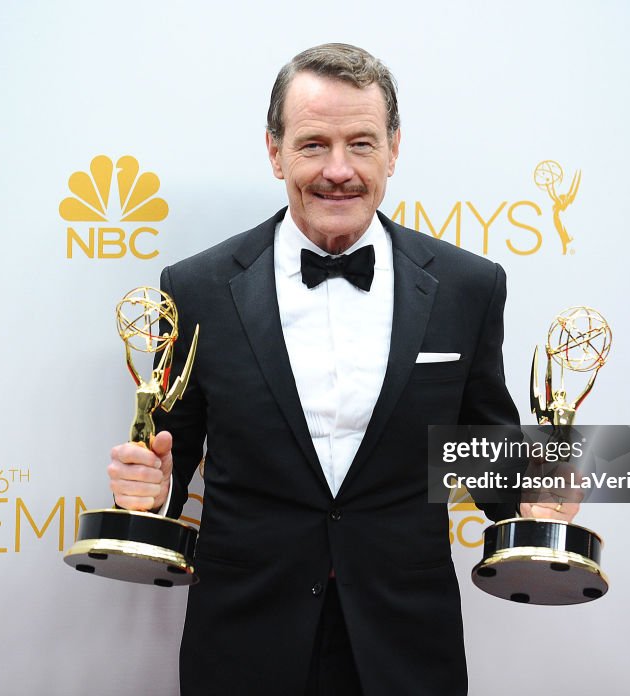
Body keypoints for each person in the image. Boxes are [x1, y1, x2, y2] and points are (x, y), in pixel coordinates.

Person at [107, 43, 578, 696]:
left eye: (360, 143)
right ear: (274, 151)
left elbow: (483, 457)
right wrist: (144, 490)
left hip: (404, 640)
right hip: (244, 637)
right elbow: (170, 457)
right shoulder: (197, 288)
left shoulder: (468, 286)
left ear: (394, 147)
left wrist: (534, 498)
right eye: (312, 145)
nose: (339, 171)